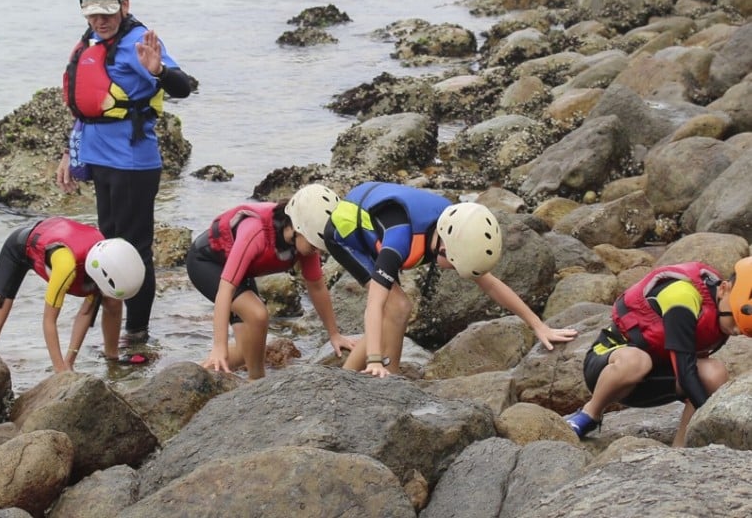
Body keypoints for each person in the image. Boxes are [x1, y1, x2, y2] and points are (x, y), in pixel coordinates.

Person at [56, 0, 192, 348]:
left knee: (135, 250)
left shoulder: (140, 42)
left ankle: (137, 333)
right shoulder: (90, 44)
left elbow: (183, 87)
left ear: (125, 4)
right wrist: (69, 152)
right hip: (100, 162)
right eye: (92, 13)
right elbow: (84, 107)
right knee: (108, 248)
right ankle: (113, 334)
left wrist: (159, 68)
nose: (100, 20)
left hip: (134, 164)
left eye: (108, 12)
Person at [321, 181, 578, 377]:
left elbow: (490, 284)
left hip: (375, 212)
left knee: (396, 308)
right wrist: (375, 359)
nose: (454, 270)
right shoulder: (398, 243)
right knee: (397, 306)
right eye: (455, 265)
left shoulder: (453, 227)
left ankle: (379, 376)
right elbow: (374, 305)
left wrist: (538, 325)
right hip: (347, 232)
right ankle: (364, 375)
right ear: (444, 248)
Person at [566, 258, 752, 445]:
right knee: (637, 361)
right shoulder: (683, 296)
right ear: (724, 288)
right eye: (734, 320)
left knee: (715, 373)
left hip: (656, 379)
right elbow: (686, 374)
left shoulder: (721, 305)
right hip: (609, 371)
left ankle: (681, 449)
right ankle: (590, 414)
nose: (736, 331)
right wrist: (713, 422)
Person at [188, 188, 356, 380]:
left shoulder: (304, 244)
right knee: (258, 314)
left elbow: (317, 287)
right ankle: (257, 380)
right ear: (298, 228)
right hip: (206, 263)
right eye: (315, 245)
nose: (317, 251)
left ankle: (193, 373)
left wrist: (334, 335)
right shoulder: (256, 231)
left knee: (245, 351)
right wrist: (219, 347)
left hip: (240, 273)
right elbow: (225, 290)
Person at [0, 219, 145, 372]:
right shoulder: (67, 267)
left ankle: (112, 358)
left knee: (112, 301)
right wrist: (60, 372)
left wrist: (69, 363)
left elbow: (85, 313)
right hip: (19, 248)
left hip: (55, 239)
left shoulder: (103, 262)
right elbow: (49, 322)